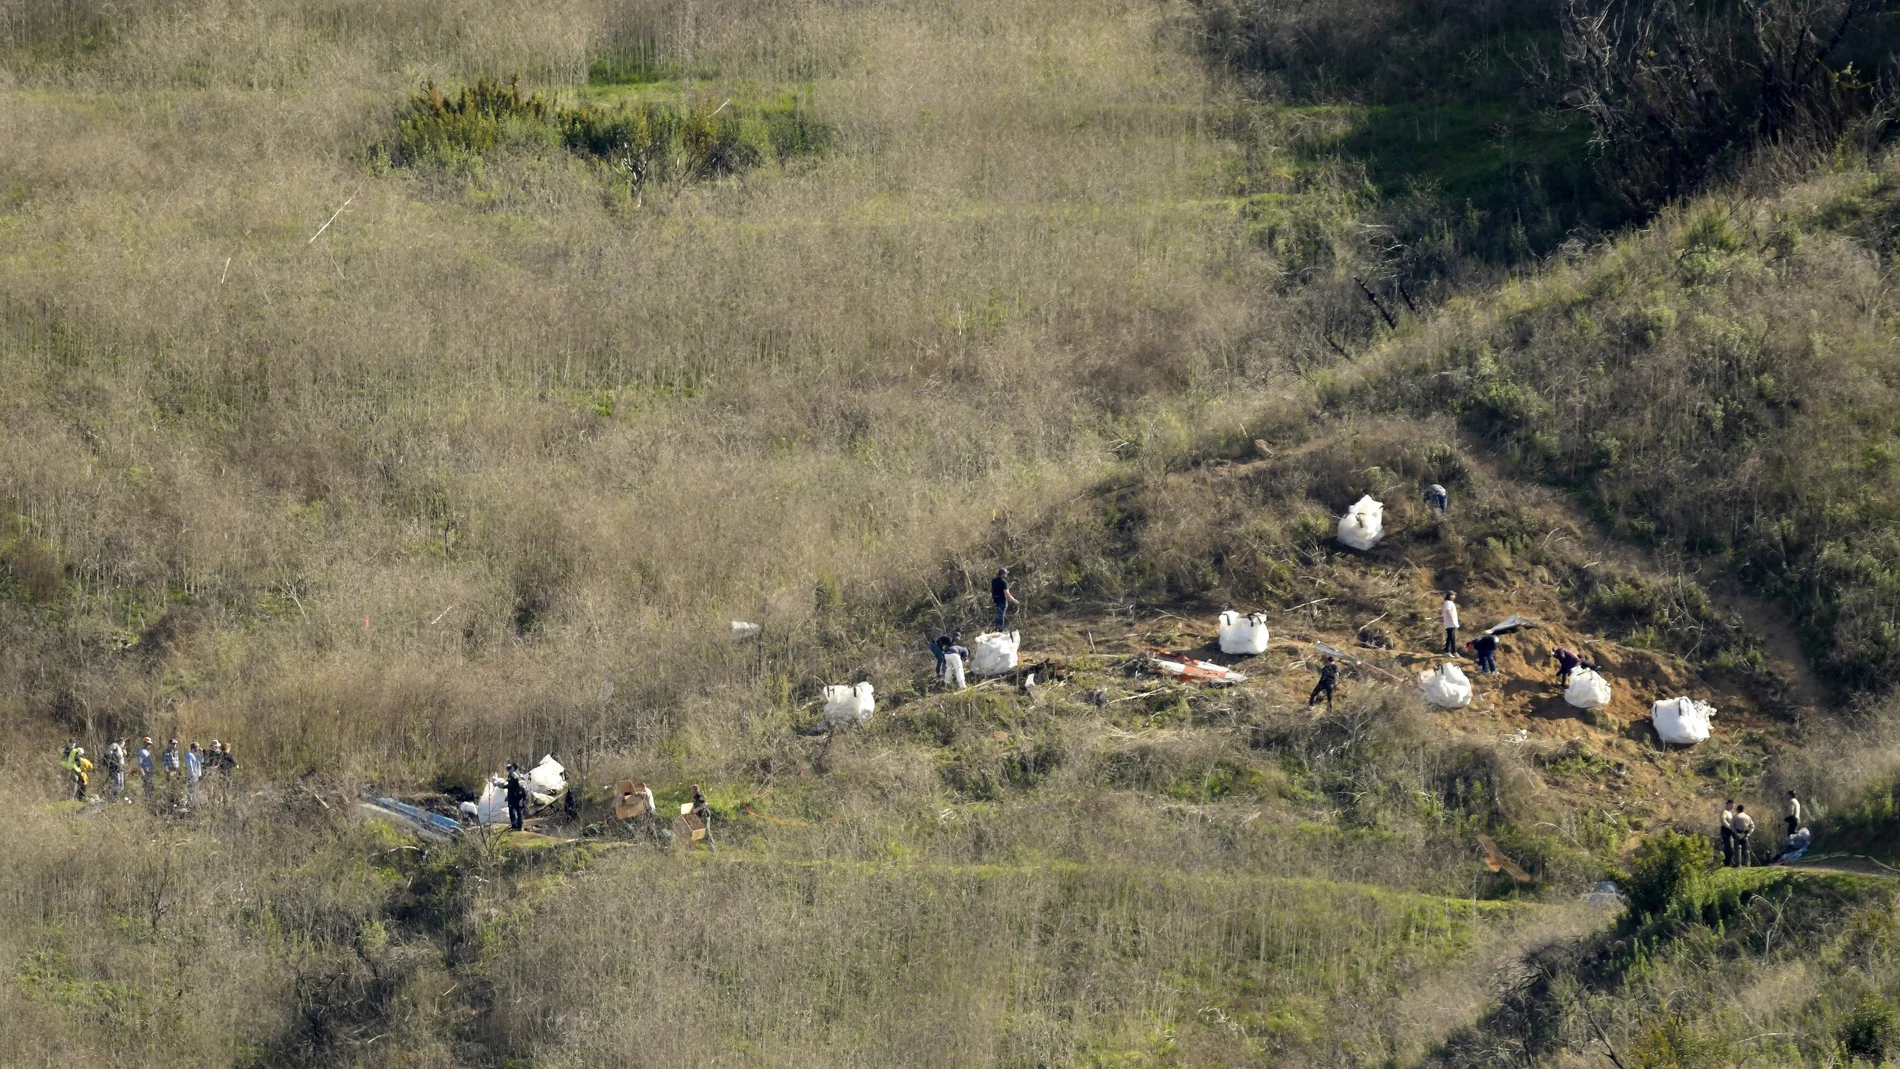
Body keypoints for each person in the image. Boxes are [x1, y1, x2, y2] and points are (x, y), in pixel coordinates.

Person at [504, 763, 528, 831]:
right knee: (519, 811)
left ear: (512, 768)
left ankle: (514, 826)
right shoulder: (520, 774)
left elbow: (511, 785)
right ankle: (520, 826)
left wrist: (504, 786)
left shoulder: (512, 775)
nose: (508, 770)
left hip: (514, 796)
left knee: (512, 811)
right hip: (520, 796)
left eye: (509, 768)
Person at [1719, 800, 1735, 867]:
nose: (1732, 807)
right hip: (1725, 831)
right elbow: (1723, 820)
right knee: (1728, 848)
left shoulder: (1730, 813)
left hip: (1730, 831)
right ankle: (1726, 863)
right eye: (1731, 805)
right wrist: (1729, 827)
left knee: (1731, 847)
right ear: (1727, 804)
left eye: (1733, 806)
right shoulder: (1724, 811)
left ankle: (1728, 863)